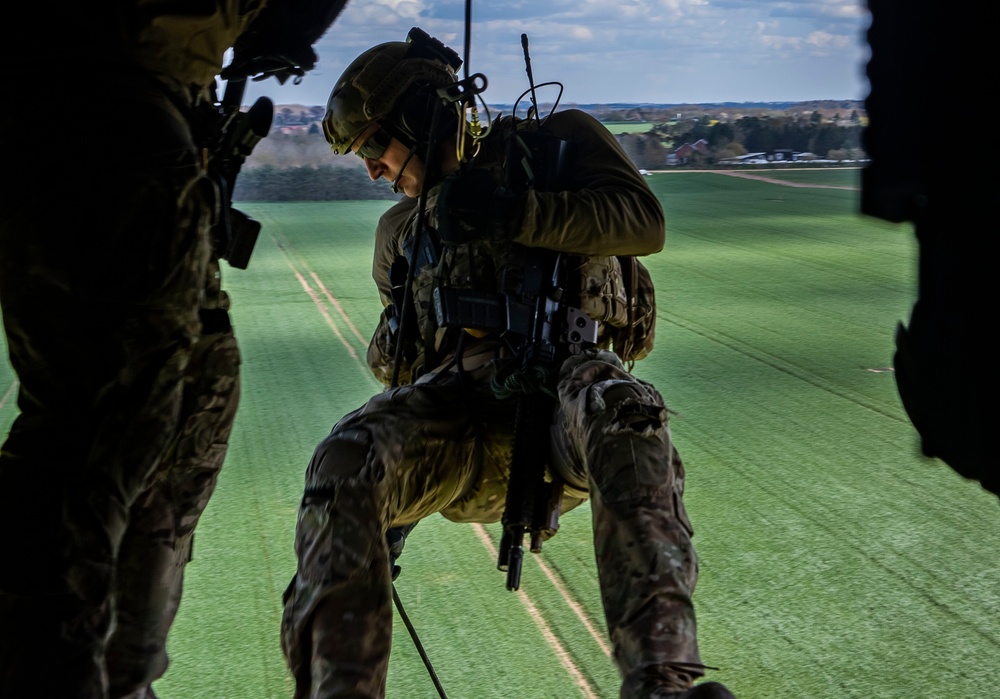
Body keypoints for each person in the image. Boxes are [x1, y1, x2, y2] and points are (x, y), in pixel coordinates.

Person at [279, 28, 736, 699]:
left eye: (375, 145)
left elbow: (644, 221)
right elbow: (398, 367)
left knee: (627, 411)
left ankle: (661, 681)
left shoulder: (562, 146)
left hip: (565, 407)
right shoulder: (400, 236)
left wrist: (511, 212)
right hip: (458, 422)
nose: (372, 169)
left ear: (421, 116)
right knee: (344, 457)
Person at [0, 2, 345, 696]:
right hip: (118, 118)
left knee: (186, 393)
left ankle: (118, 670)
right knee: (92, 446)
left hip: (92, 113)